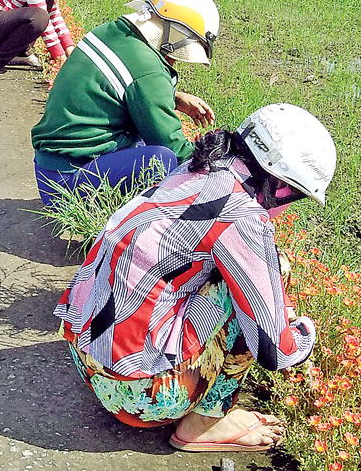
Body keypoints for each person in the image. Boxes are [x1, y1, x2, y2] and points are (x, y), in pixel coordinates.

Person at [55, 103, 336, 453]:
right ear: (280, 183)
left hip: (84, 359)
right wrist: (303, 331)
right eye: (296, 196)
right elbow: (275, 353)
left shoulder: (197, 169)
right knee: (274, 269)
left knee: (241, 278)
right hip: (138, 397)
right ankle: (206, 424)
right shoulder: (244, 216)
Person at [31, 0, 218, 205]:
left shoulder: (111, 32)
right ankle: (120, 223)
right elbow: (174, 147)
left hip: (50, 169)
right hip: (66, 184)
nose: (175, 60)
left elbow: (121, 88)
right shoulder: (148, 70)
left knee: (142, 145)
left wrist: (174, 98)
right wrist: (216, 168)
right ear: (172, 35)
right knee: (162, 160)